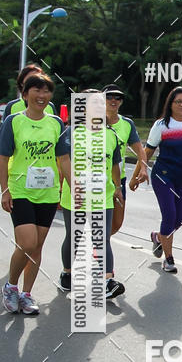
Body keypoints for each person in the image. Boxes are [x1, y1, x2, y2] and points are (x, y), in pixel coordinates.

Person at [0, 73, 69, 315]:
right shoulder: (13, 121)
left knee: (37, 246)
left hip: (48, 192)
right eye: (36, 90)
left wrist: (72, 186)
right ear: (26, 94)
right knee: (27, 242)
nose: (42, 96)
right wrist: (5, 189)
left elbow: (63, 158)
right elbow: (4, 157)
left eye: (46, 91)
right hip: (21, 190)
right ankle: (10, 286)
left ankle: (26, 294)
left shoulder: (56, 124)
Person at [131, 86, 182, 274]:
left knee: (179, 218)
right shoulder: (161, 125)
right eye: (178, 101)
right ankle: (169, 259)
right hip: (163, 176)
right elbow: (147, 152)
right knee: (170, 215)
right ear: (170, 104)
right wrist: (141, 171)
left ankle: (158, 236)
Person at [57, 90, 125, 299]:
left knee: (101, 239)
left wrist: (117, 187)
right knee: (74, 238)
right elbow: (62, 159)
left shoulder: (110, 134)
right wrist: (70, 185)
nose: (99, 107)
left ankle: (107, 281)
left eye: (100, 103)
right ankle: (67, 274)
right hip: (75, 198)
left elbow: (114, 163)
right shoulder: (71, 133)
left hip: (102, 198)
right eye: (93, 103)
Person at [101, 84, 148, 234]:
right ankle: (99, 245)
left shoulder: (127, 124)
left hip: (117, 180)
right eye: (109, 97)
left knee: (117, 223)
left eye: (118, 97)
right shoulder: (93, 122)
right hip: (97, 178)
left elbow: (140, 150)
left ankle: (99, 242)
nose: (113, 100)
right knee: (98, 220)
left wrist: (144, 168)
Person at [1, 64, 58, 129]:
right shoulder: (12, 106)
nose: (36, 82)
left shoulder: (50, 106)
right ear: (22, 83)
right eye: (31, 79)